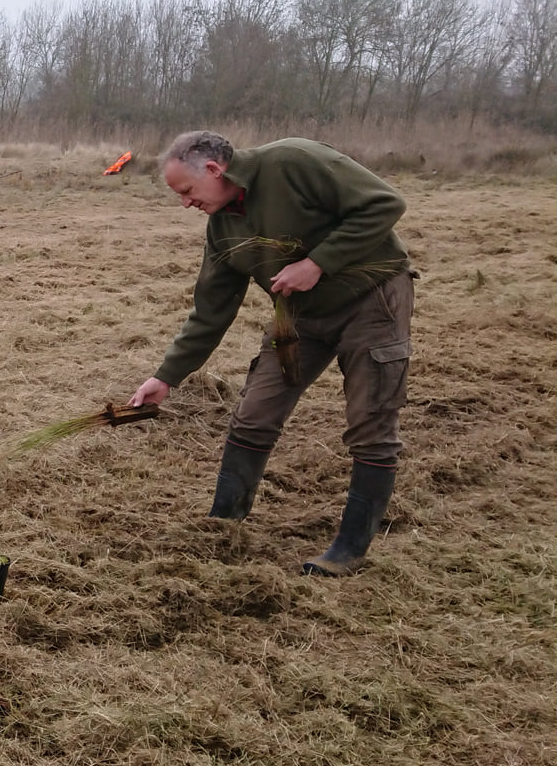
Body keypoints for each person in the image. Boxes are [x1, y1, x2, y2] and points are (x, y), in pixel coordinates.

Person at [129, 130, 413, 576]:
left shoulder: (293, 161)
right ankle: (224, 523)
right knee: (254, 413)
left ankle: (349, 549)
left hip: (371, 298)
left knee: (370, 423)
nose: (185, 203)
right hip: (298, 316)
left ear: (213, 170)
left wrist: (318, 263)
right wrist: (166, 377)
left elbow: (385, 203)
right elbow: (211, 312)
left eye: (186, 191)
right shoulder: (223, 228)